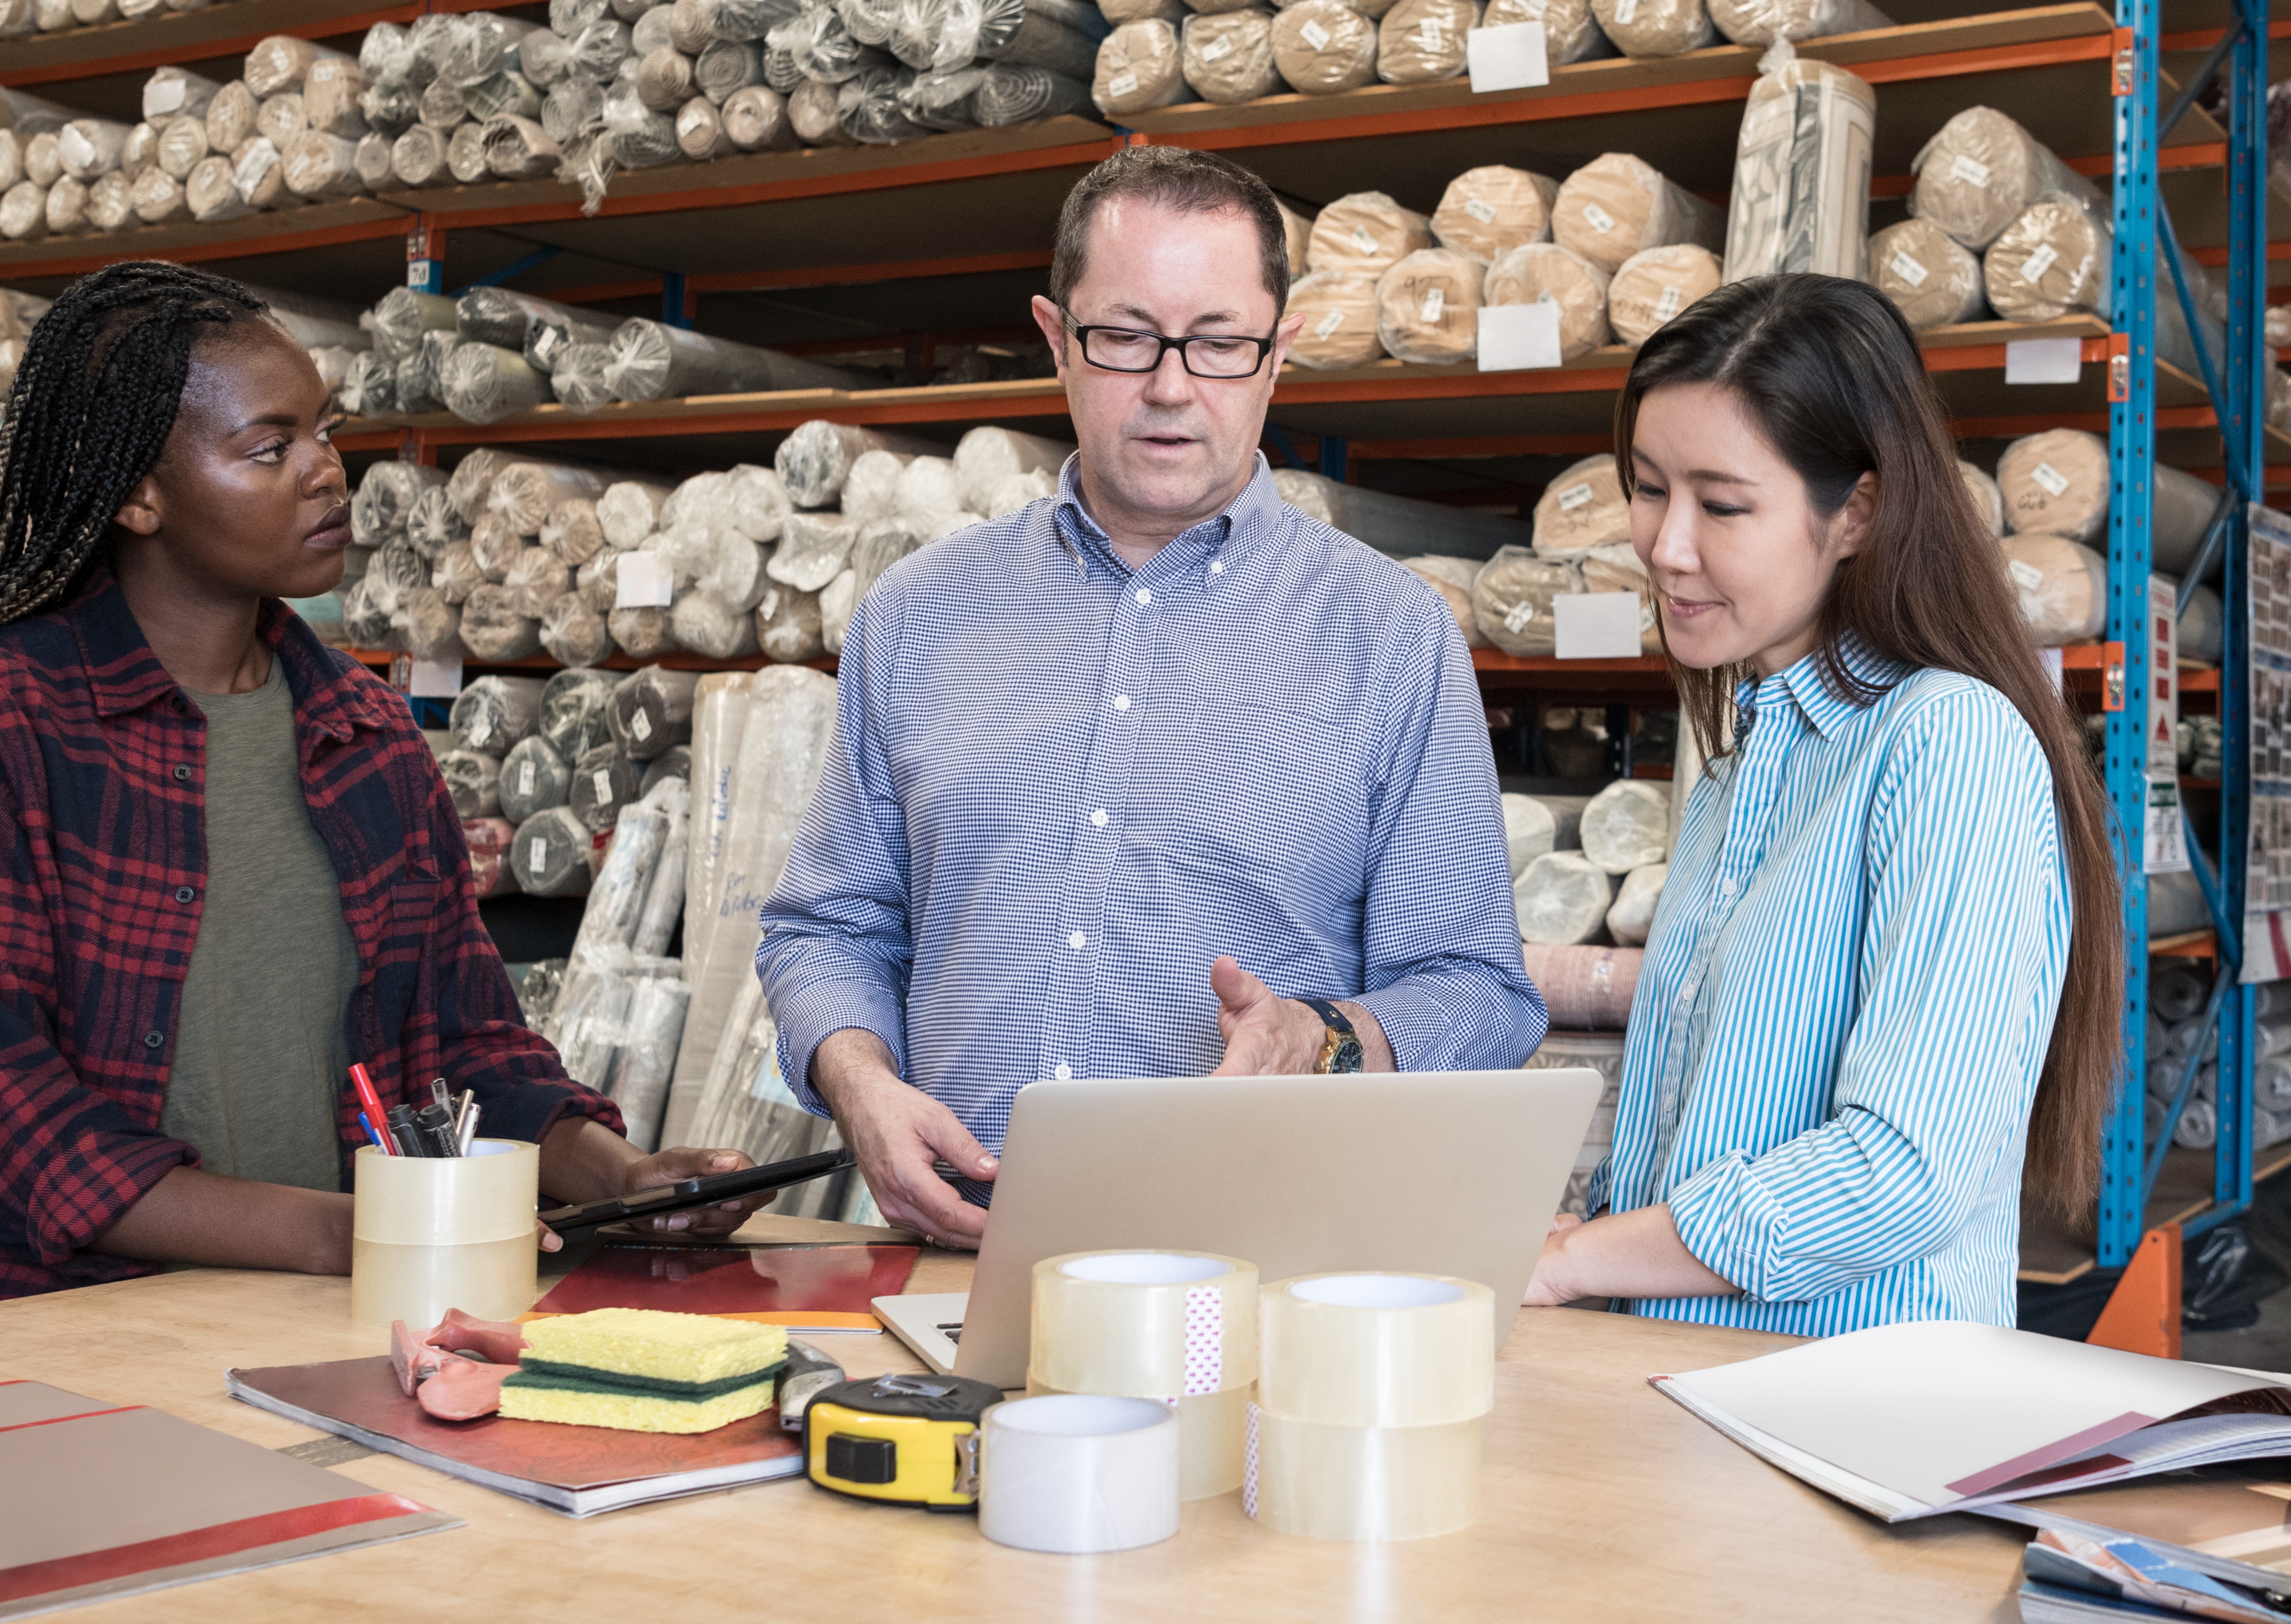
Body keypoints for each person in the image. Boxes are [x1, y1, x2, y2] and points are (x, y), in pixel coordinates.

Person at [0, 261, 772, 1316]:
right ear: (137, 495)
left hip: (320, 1322)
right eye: (269, 447)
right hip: (43, 1335)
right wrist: (357, 1230)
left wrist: (616, 1176)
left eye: (326, 433)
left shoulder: (363, 732)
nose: (328, 472)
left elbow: (462, 1041)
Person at [756, 146, 1544, 1246]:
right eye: (1125, 338)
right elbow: (828, 928)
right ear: (1055, 339)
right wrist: (860, 1085)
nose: (1172, 387)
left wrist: (1314, 1039)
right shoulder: (920, 614)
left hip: (1260, 1275)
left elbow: (1477, 993)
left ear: (1280, 353)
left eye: (1219, 344)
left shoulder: (1390, 634)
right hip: (955, 1260)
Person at [1514, 274, 2122, 1335]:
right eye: (1649, 488)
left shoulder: (1948, 745)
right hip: (1683, 1393)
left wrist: (1577, 1260)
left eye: (1723, 504)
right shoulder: (1743, 758)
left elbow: (1906, 1169)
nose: (1665, 546)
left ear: (1860, 512)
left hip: (1850, 1417)